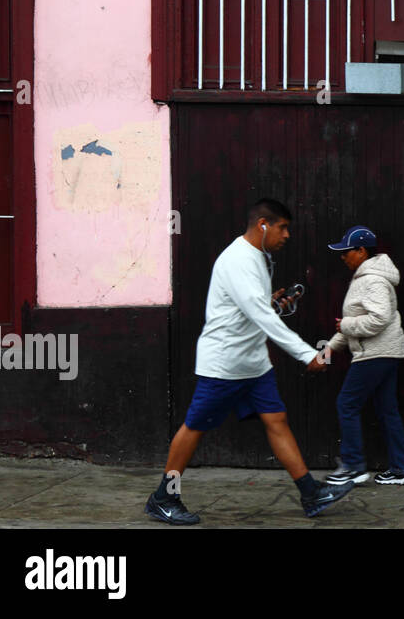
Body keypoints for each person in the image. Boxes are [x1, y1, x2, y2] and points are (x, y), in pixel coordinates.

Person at [145, 199, 355, 524]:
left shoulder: (258, 258)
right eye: (283, 227)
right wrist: (306, 354)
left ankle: (311, 493)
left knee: (277, 420)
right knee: (195, 427)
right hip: (225, 364)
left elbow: (254, 307)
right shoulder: (239, 260)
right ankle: (164, 497)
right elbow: (258, 315)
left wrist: (272, 304)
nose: (287, 235)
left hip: (254, 363)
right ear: (263, 225)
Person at [323, 225, 404, 487]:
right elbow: (350, 325)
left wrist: (346, 327)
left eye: (346, 252)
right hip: (384, 352)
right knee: (387, 410)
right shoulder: (365, 277)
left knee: (346, 403)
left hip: (375, 353)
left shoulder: (372, 280)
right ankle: (401, 469)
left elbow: (378, 319)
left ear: (361, 251)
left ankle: (353, 466)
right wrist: (325, 353)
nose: (343, 257)